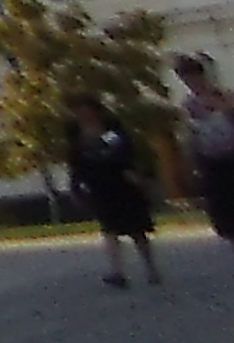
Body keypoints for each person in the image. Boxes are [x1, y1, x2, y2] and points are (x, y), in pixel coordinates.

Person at [64, 94, 163, 292]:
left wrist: (105, 158)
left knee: (137, 229)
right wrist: (75, 186)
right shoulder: (76, 134)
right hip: (98, 185)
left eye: (85, 109)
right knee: (108, 228)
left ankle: (151, 268)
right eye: (78, 110)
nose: (82, 114)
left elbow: (121, 151)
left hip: (121, 182)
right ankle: (118, 272)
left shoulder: (109, 129)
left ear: (95, 110)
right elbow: (75, 162)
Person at [176, 53, 234, 242]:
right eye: (185, 79)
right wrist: (190, 166)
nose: (191, 82)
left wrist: (222, 107)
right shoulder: (187, 105)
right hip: (211, 163)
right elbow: (190, 136)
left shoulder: (224, 96)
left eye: (193, 77)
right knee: (226, 217)